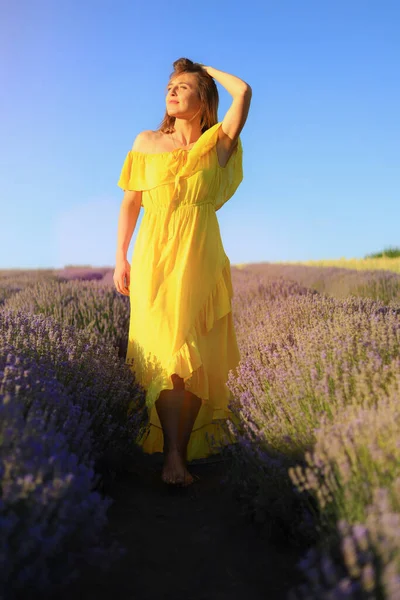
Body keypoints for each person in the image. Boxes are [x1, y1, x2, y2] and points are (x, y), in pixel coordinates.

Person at [114, 58, 252, 487]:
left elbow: (243, 92)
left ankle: (176, 455)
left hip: (200, 255)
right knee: (165, 355)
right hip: (154, 257)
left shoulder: (217, 144)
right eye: (169, 86)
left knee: (189, 359)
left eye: (183, 86)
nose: (171, 91)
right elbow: (130, 203)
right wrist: (121, 256)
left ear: (203, 98)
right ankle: (174, 455)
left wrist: (207, 69)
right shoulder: (147, 141)